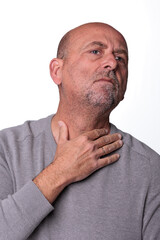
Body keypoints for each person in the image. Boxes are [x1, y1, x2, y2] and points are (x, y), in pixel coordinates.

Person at [0, 22, 160, 240]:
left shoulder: (150, 168)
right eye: (95, 51)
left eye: (121, 58)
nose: (112, 63)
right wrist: (61, 171)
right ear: (57, 71)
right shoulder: (6, 149)